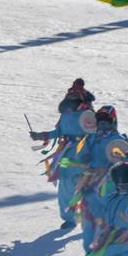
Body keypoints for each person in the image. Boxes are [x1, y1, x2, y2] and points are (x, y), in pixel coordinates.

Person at [29, 78, 96, 229]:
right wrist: (39, 136)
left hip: (83, 155)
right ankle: (69, 218)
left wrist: (92, 153)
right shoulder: (65, 114)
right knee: (65, 186)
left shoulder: (88, 114)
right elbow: (58, 131)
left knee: (87, 185)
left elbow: (94, 134)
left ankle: (92, 216)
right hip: (65, 155)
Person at [74, 105, 128, 252]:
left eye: (107, 122)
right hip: (90, 179)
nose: (103, 125)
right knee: (89, 215)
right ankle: (89, 249)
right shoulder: (92, 137)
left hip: (108, 183)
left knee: (104, 215)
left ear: (113, 122)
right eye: (100, 121)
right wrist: (83, 157)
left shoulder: (117, 139)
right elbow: (81, 154)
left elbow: (123, 158)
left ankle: (104, 248)